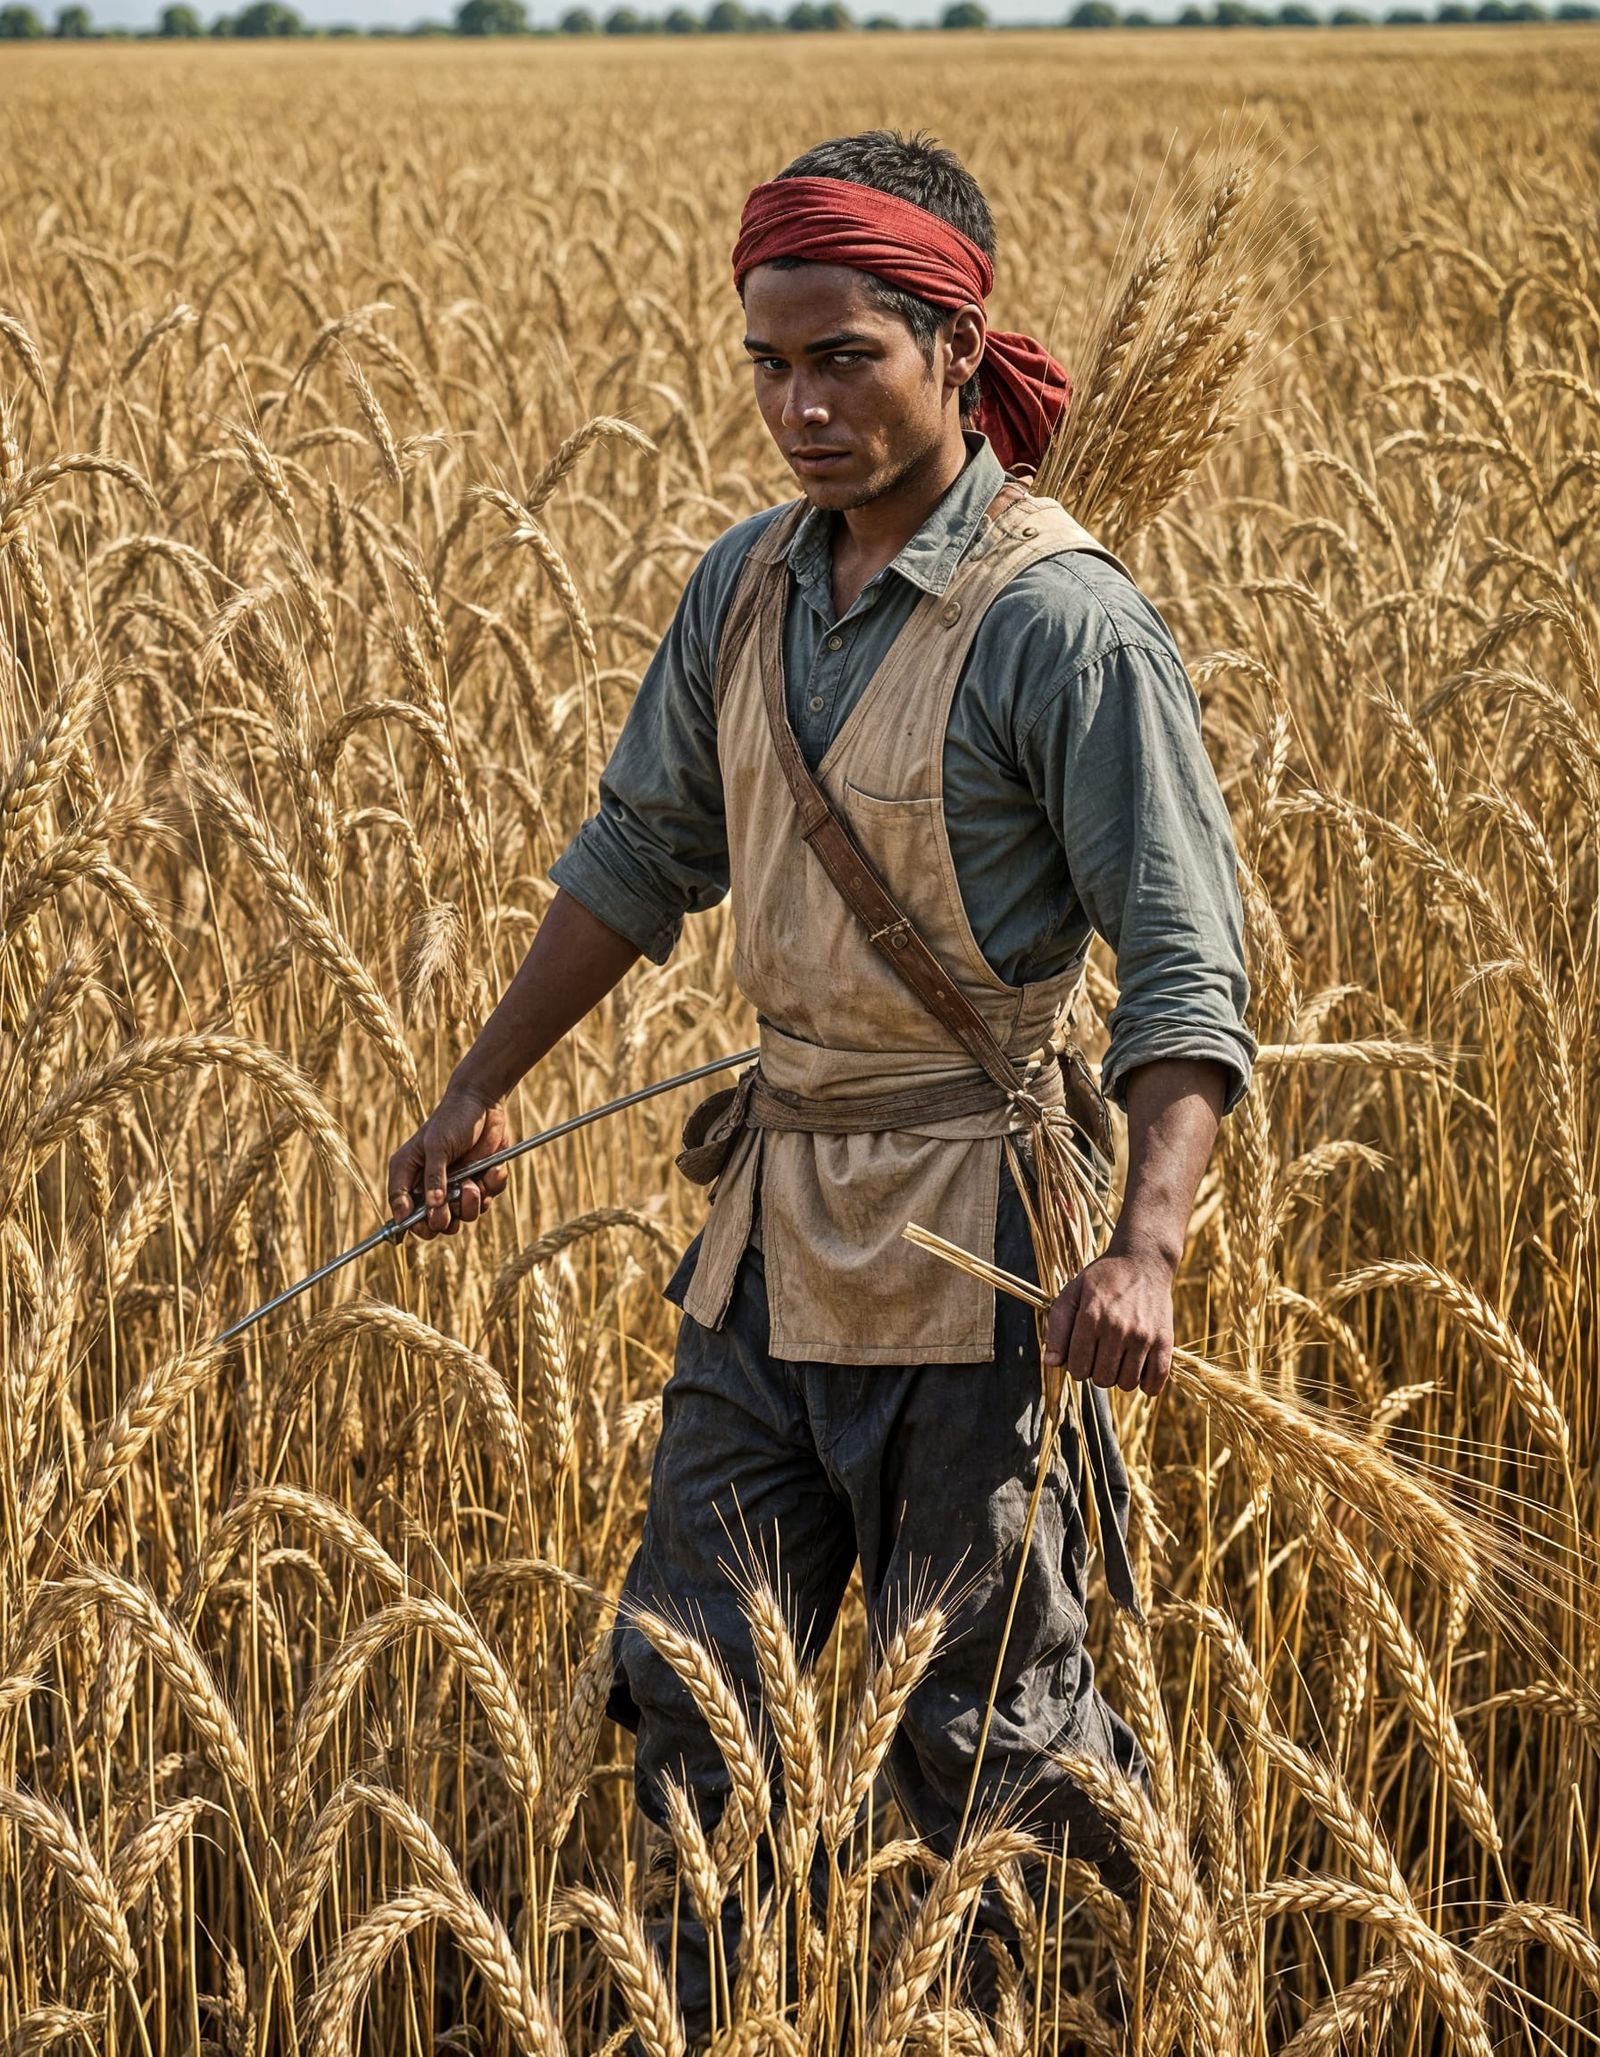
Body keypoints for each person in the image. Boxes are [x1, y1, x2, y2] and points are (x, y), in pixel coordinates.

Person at [388, 129, 1254, 2043]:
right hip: (772, 1243)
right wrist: (477, 1088)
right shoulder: (747, 588)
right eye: (770, 362)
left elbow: (1188, 967)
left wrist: (1148, 1247)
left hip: (988, 1264)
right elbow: (640, 853)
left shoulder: (1061, 622)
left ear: (957, 343)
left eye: (845, 356)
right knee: (698, 1692)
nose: (798, 405)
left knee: (984, 1749)